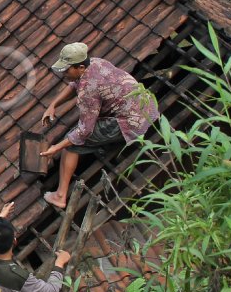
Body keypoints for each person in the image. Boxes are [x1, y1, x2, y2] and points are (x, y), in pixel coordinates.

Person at [39, 43, 160, 209]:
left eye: (66, 70)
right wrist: (53, 104)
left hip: (133, 122)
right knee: (77, 134)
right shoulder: (95, 62)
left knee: (72, 143)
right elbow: (75, 85)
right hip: (147, 106)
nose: (63, 74)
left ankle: (60, 195)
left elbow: (84, 131)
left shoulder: (89, 90)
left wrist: (57, 148)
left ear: (80, 67)